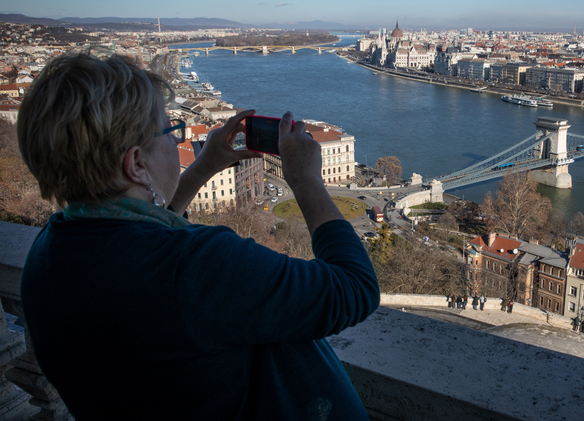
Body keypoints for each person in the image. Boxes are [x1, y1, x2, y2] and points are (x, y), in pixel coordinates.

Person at [17, 53, 380, 421]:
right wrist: (305, 179)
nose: (178, 142)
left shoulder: (48, 254)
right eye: (169, 132)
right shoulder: (195, 265)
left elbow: (135, 239)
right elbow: (353, 288)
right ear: (137, 164)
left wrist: (205, 164)